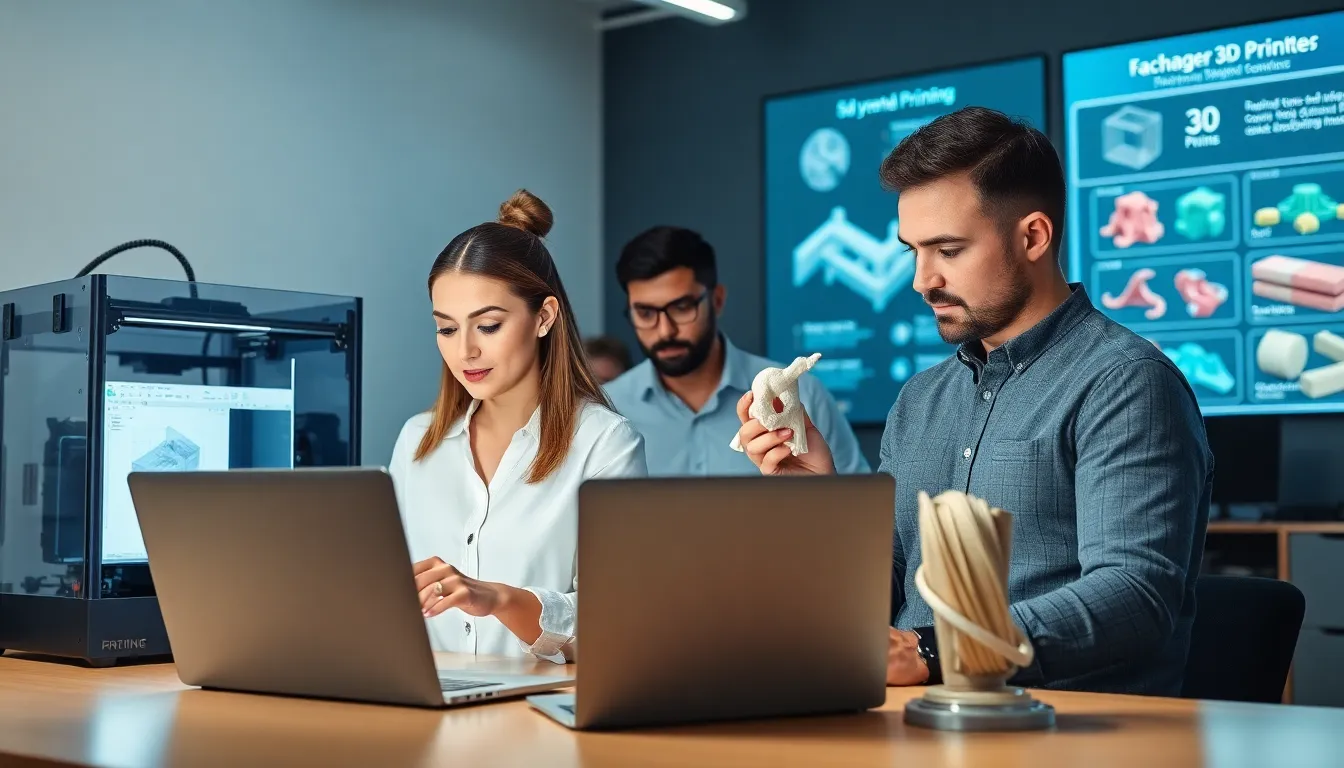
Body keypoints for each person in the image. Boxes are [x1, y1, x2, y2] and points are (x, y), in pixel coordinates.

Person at [734, 107, 1213, 696]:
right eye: (913, 250)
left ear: (1033, 236)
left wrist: (939, 649)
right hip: (911, 724)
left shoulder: (1125, 382)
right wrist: (818, 501)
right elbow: (879, 596)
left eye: (948, 250)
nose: (921, 280)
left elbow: (1135, 597)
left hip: (1065, 732)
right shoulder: (920, 399)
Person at [389, 189, 647, 663]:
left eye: (487, 326)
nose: (464, 350)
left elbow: (617, 619)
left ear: (544, 317)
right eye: (447, 328)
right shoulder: (415, 443)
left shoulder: (604, 443)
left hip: (538, 717)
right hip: (425, 713)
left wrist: (500, 600)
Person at [604, 225, 869, 476]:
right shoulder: (607, 409)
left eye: (682, 307)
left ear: (717, 300)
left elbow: (865, 513)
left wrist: (821, 489)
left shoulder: (806, 395)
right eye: (645, 313)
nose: (665, 331)